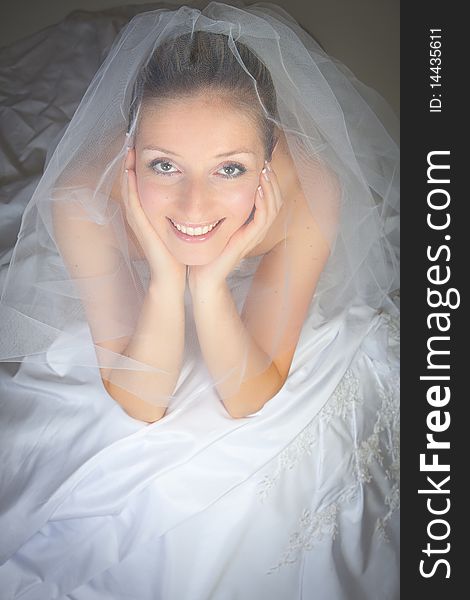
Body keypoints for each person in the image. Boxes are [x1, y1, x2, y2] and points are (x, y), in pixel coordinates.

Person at [0, 2, 400, 598]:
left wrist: (211, 283)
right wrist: (165, 277)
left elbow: (248, 397)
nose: (192, 207)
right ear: (130, 154)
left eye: (230, 170)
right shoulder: (85, 193)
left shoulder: (310, 186)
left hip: (250, 279)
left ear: (268, 162)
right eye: (164, 165)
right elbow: (141, 402)